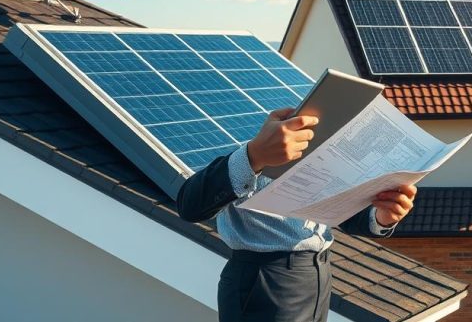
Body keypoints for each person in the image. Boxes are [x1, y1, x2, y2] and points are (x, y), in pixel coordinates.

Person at [176, 107, 417, 322]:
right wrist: (255, 155)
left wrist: (381, 217)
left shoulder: (315, 133)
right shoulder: (219, 126)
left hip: (317, 277)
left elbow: (340, 208)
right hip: (263, 282)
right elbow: (190, 204)